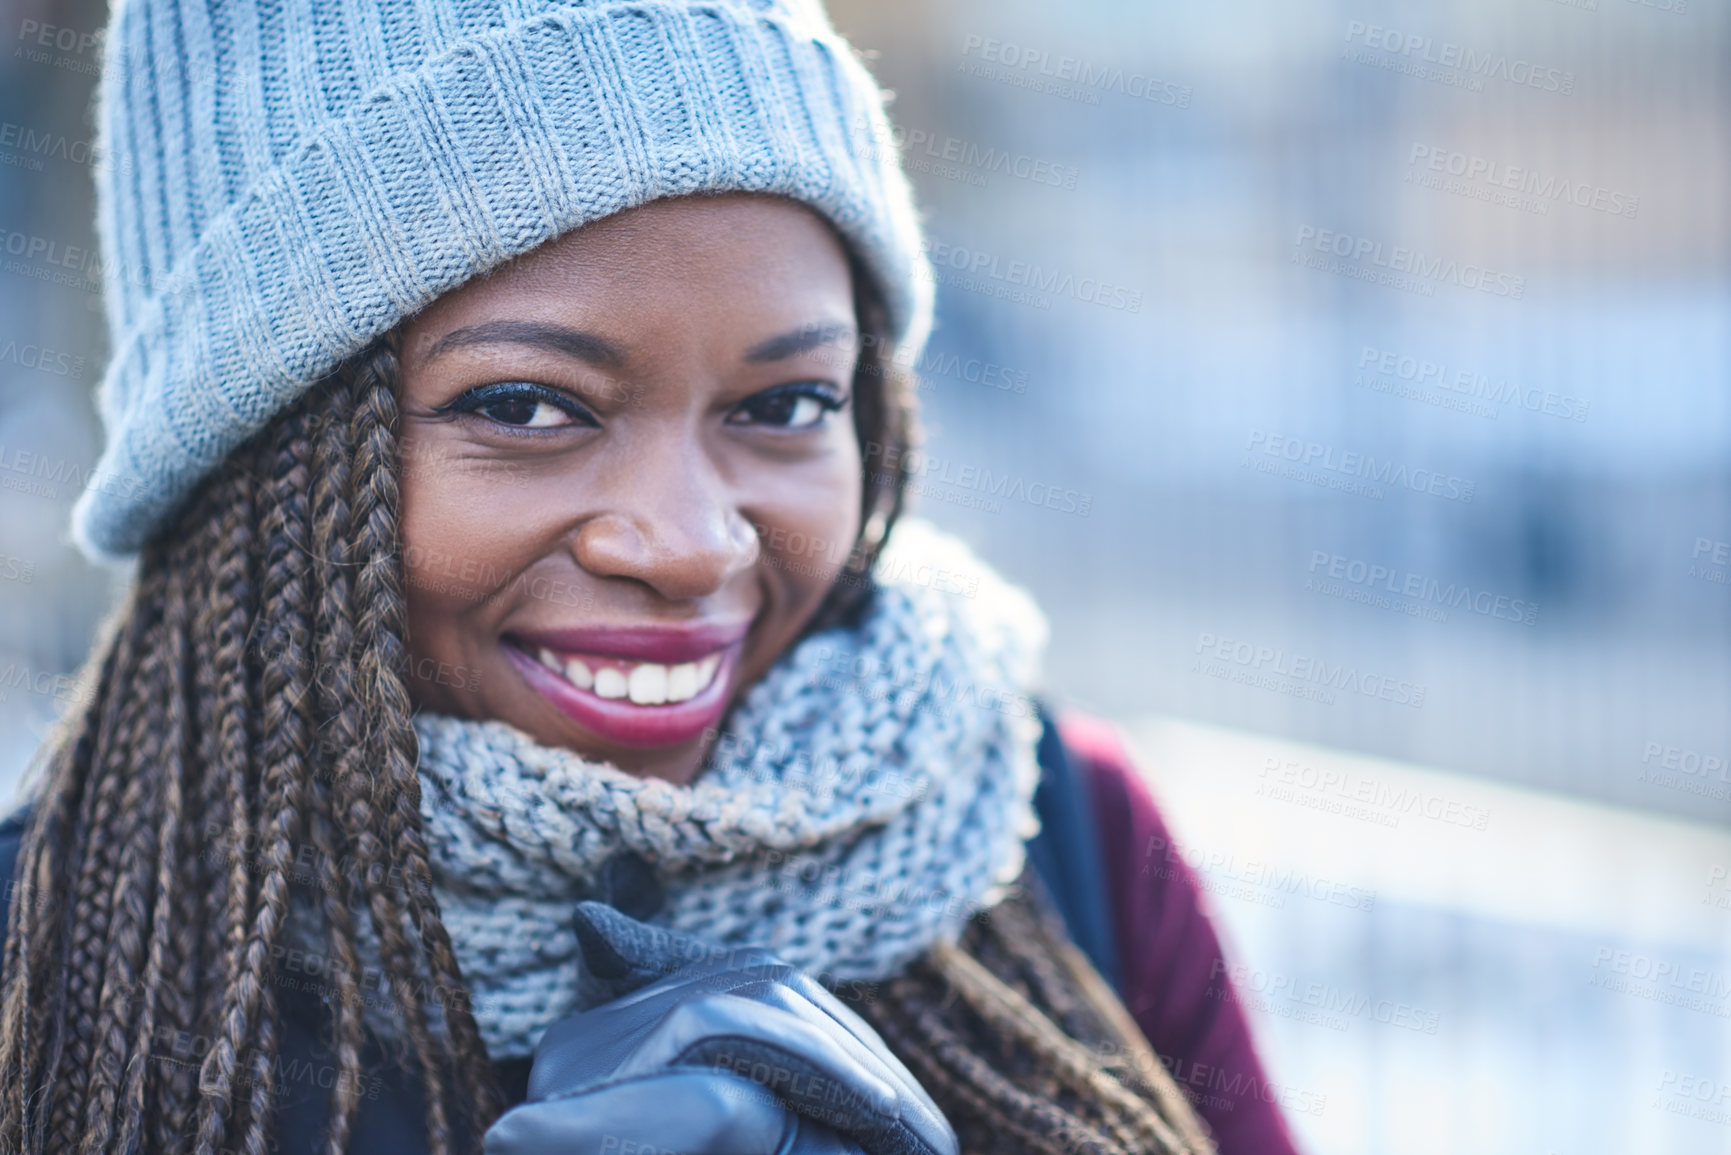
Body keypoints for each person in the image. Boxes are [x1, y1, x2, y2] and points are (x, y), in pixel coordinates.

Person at [0, 1, 1302, 1153]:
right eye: (525, 406)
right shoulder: (42, 962)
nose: (690, 545)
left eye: (787, 403)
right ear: (254, 463)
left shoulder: (1060, 831)